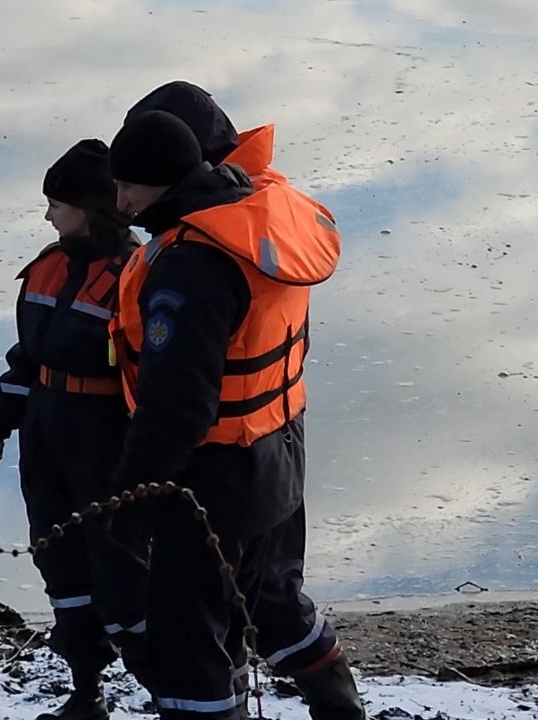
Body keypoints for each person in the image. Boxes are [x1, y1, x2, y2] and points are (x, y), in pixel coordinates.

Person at [104, 109, 365, 720]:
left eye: (127, 188)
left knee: (190, 647)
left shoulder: (191, 263)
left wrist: (131, 501)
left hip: (213, 481)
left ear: (162, 182)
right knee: (273, 600)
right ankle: (342, 708)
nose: (119, 204)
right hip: (279, 452)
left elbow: (177, 408)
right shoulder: (264, 218)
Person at [0, 139, 152, 720]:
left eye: (57, 202)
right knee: (58, 560)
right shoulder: (46, 269)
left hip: (105, 437)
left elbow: (154, 376)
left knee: (121, 564)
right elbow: (26, 358)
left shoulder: (138, 273)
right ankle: (86, 689)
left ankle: (170, 683)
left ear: (93, 207)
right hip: (46, 433)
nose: (48, 213)